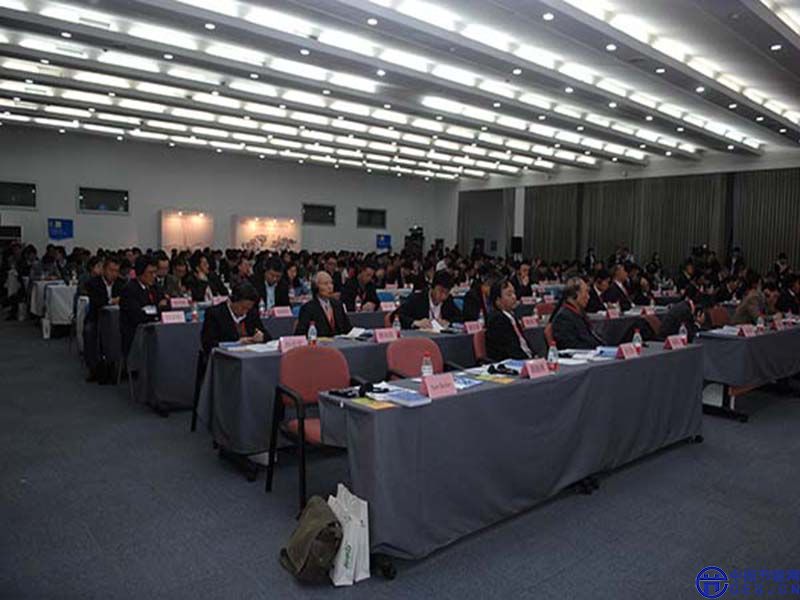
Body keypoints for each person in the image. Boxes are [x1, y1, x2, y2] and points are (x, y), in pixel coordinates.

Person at [84, 257, 125, 382]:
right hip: (96, 317)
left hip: (115, 319)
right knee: (89, 331)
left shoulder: (121, 283)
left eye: (116, 271)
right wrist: (112, 301)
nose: (114, 274)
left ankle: (117, 366)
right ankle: (94, 368)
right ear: (104, 270)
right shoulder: (93, 283)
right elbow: (97, 302)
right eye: (111, 270)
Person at [200, 282, 268, 355]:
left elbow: (267, 336)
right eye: (243, 307)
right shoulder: (215, 313)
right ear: (232, 300)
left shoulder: (251, 313)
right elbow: (208, 344)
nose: (245, 312)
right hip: (224, 357)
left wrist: (262, 336)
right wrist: (237, 343)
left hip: (250, 356)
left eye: (248, 308)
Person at [119, 256, 161, 357]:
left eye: (155, 272)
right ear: (140, 273)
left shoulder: (154, 288)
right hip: (135, 336)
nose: (154, 276)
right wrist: (156, 311)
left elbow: (164, 306)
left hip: (153, 333)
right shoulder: (129, 290)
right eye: (150, 273)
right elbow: (138, 316)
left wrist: (154, 310)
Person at [485, 279, 534, 361]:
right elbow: (511, 349)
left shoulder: (511, 316)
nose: (514, 297)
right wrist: (529, 360)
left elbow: (523, 342)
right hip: (510, 362)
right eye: (509, 294)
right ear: (498, 301)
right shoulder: (497, 320)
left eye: (514, 293)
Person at [550, 277, 605, 350]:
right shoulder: (563, 318)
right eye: (586, 292)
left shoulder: (580, 314)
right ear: (576, 294)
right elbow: (570, 345)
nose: (588, 297)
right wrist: (595, 348)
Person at [397, 269, 462, 329]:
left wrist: (448, 322)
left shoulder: (448, 300)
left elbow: (460, 317)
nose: (443, 296)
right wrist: (416, 322)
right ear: (432, 287)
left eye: (447, 293)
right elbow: (401, 315)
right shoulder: (417, 299)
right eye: (440, 291)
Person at [295, 271, 352, 337]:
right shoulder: (308, 308)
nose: (330, 287)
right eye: (325, 284)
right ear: (316, 287)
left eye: (331, 283)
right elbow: (300, 334)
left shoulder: (338, 305)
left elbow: (348, 329)